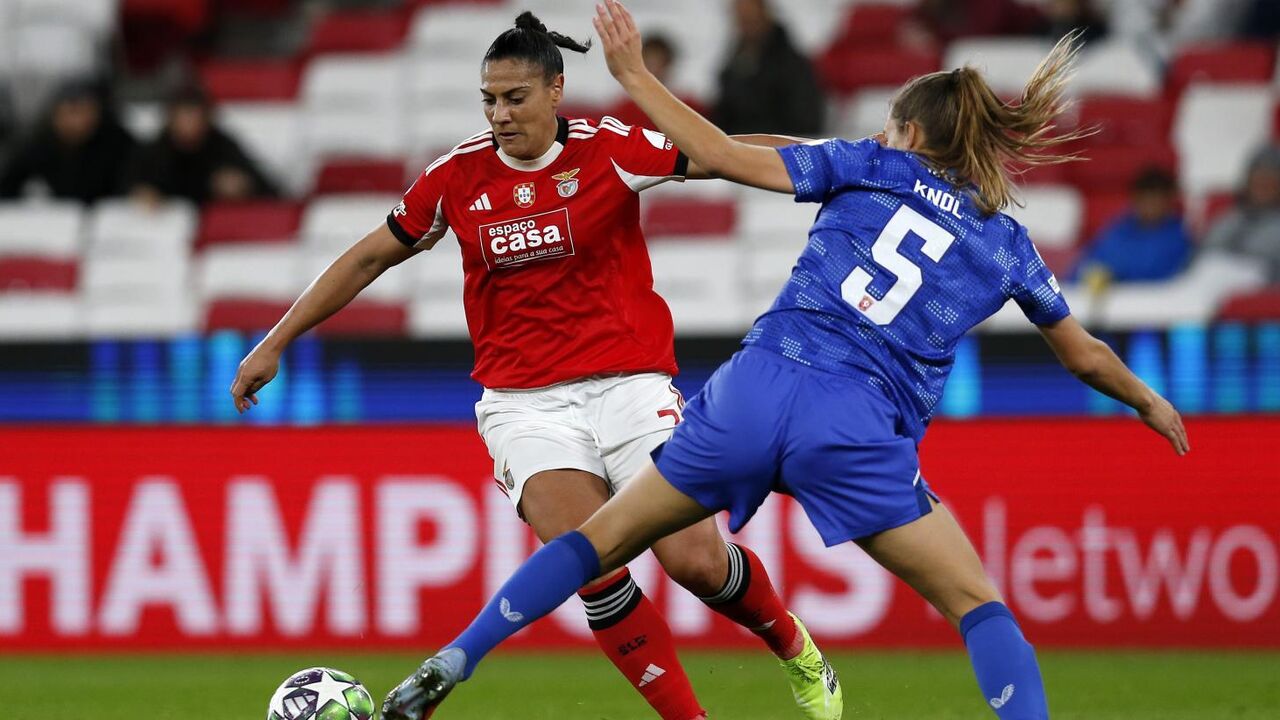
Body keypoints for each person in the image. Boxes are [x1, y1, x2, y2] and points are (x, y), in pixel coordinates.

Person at [381, 5, 1190, 720]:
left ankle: (461, 654)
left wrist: (634, 77)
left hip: (755, 389)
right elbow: (1083, 356)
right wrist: (1147, 401)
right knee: (978, 605)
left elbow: (721, 155)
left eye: (890, 125)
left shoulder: (866, 163)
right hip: (856, 425)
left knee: (597, 544)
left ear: (907, 134)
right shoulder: (1009, 242)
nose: (882, 134)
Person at [231, 12, 841, 720]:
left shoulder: (610, 148)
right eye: (488, 99)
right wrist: (275, 340)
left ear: (556, 91)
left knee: (695, 562)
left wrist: (841, 158)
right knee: (597, 570)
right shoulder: (455, 176)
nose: (499, 114)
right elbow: (372, 253)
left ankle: (793, 643)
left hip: (630, 385)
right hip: (524, 404)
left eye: (514, 98)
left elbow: (722, 152)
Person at [128, 84, 276, 205]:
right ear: (170, 119)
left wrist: (244, 186)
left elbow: (270, 190)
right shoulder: (154, 152)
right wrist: (141, 191)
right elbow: (124, 186)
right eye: (183, 116)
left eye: (195, 116)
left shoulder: (223, 146)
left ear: (208, 118)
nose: (189, 124)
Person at [0, 79, 135, 203]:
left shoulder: (118, 141)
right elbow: (9, 183)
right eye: (70, 112)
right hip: (62, 217)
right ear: (55, 116)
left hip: (110, 216)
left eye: (84, 112)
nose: (77, 122)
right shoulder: (38, 143)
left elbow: (136, 179)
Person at [712, 0, 825, 136]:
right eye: (741, 19)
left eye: (750, 19)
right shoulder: (734, 65)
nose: (745, 25)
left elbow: (806, 121)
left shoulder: (792, 66)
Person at [1074, 167, 1191, 288]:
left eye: (1155, 200)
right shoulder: (1117, 232)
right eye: (1144, 200)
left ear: (1168, 201)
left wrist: (1116, 276)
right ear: (1135, 200)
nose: (1149, 207)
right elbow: (1084, 268)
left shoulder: (1178, 239)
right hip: (1114, 303)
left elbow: (1161, 278)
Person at [1203, 144, 1280, 283]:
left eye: (1271, 180)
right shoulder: (1227, 218)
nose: (1263, 186)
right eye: (1258, 179)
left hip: (1257, 295)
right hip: (1206, 285)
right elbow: (1201, 255)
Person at [606, 33, 705, 129]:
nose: (654, 69)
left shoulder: (688, 107)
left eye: (658, 62)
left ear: (668, 64)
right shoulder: (626, 110)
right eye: (649, 62)